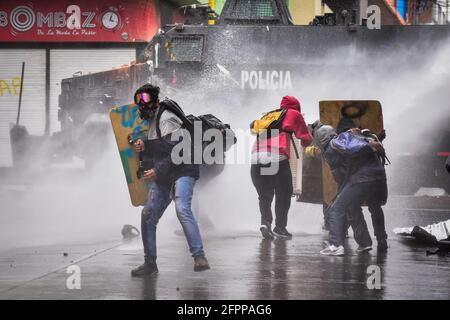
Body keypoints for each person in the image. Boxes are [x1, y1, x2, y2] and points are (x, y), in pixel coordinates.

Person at [130, 84, 210, 277]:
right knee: (148, 215)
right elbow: (162, 146)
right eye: (138, 99)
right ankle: (150, 264)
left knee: (182, 208)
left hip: (183, 170)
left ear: (156, 100)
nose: (142, 103)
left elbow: (178, 151)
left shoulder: (166, 119)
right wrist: (145, 146)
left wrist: (157, 170)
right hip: (166, 174)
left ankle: (199, 256)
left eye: (146, 98)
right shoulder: (152, 121)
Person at [312, 122, 386, 256]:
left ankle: (335, 245)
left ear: (321, 140)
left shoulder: (332, 147)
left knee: (336, 208)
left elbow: (338, 177)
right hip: (379, 175)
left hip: (362, 178)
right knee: (353, 206)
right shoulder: (352, 137)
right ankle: (364, 243)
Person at [250, 96, 313, 240]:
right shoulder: (294, 114)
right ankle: (280, 227)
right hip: (276, 156)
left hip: (256, 158)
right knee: (284, 193)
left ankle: (265, 223)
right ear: (296, 107)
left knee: (265, 194)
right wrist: (306, 140)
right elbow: (306, 139)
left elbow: (254, 129)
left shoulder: (269, 115)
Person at [335, 118, 389, 252]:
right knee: (375, 207)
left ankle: (364, 242)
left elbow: (351, 158)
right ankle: (382, 239)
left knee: (352, 206)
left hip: (362, 179)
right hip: (379, 176)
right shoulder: (367, 135)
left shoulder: (345, 139)